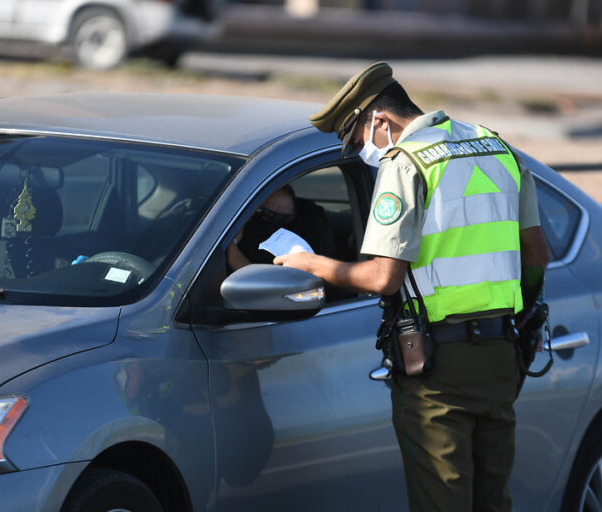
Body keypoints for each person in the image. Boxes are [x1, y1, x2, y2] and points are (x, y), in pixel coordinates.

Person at [274, 62, 550, 512]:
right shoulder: (496, 146)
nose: (365, 152)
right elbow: (536, 255)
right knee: (493, 501)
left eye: (358, 140)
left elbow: (383, 277)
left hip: (438, 370)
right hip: (501, 357)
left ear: (379, 121)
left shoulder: (407, 163)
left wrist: (314, 263)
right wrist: (522, 320)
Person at [227, 185, 336, 272]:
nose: (271, 210)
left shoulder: (313, 216)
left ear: (284, 188)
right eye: (262, 210)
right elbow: (250, 276)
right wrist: (233, 242)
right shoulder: (254, 230)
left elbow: (323, 265)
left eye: (267, 199)